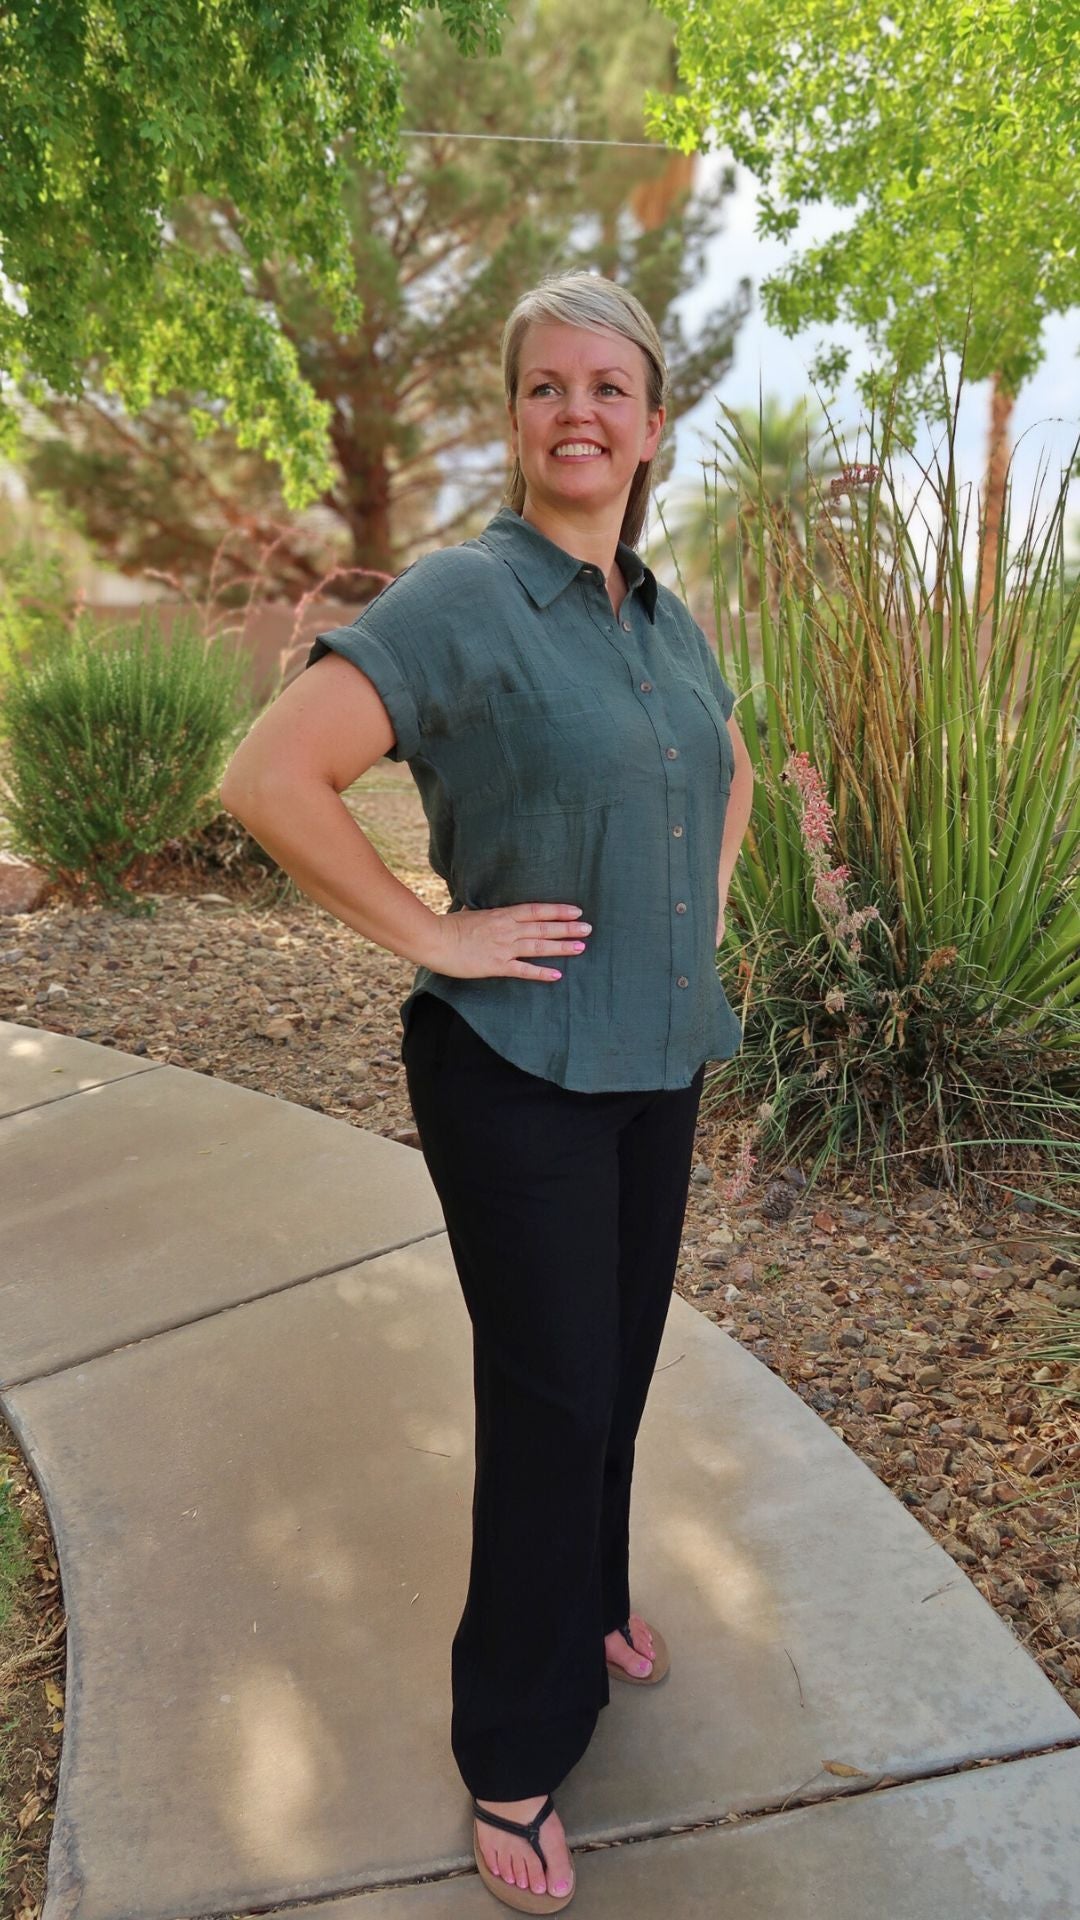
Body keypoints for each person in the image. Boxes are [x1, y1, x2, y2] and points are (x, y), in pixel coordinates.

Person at [220, 269, 753, 1914]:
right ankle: (513, 1750)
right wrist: (435, 931)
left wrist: (696, 930)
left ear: (654, 426)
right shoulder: (464, 598)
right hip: (516, 1071)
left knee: (621, 1374)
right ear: (515, 418)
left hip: (654, 1060)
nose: (580, 411)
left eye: (611, 388)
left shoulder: (663, 619)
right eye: (548, 387)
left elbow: (724, 771)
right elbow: (269, 774)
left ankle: (586, 1602)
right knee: (551, 1402)